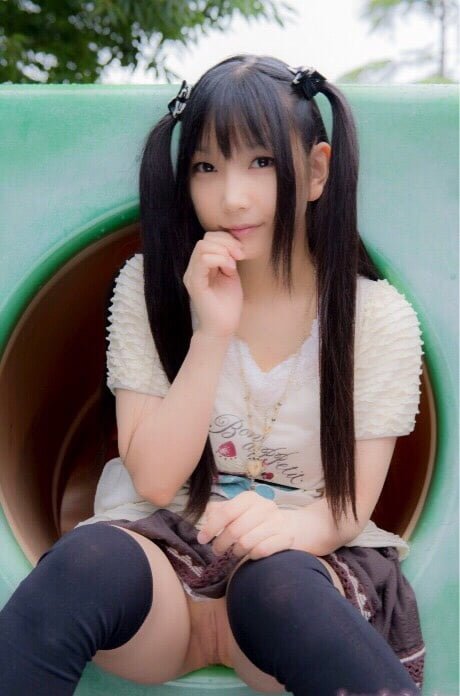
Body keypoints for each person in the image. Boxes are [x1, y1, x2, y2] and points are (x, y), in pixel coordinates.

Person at [0, 54, 426, 696]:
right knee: (85, 562)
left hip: (302, 570)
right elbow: (153, 478)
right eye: (206, 167)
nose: (231, 197)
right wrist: (211, 332)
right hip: (162, 574)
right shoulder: (150, 285)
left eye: (261, 162)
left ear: (316, 170)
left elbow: (347, 507)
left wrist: (288, 532)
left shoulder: (376, 317)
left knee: (274, 582)